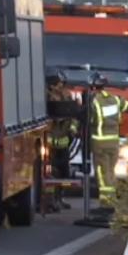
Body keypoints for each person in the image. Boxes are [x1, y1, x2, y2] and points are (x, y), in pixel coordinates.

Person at [88, 72, 128, 210]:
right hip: (114, 143)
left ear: (93, 87)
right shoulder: (115, 99)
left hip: (99, 143)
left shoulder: (93, 101)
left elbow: (89, 120)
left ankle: (105, 202)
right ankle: (112, 200)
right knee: (111, 171)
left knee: (102, 172)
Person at [46, 69, 79, 211]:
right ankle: (50, 201)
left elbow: (75, 117)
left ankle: (60, 198)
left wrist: (72, 130)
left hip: (64, 143)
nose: (62, 86)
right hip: (49, 145)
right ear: (52, 85)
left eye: (63, 83)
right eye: (59, 84)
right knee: (51, 173)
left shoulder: (67, 97)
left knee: (64, 173)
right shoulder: (45, 98)